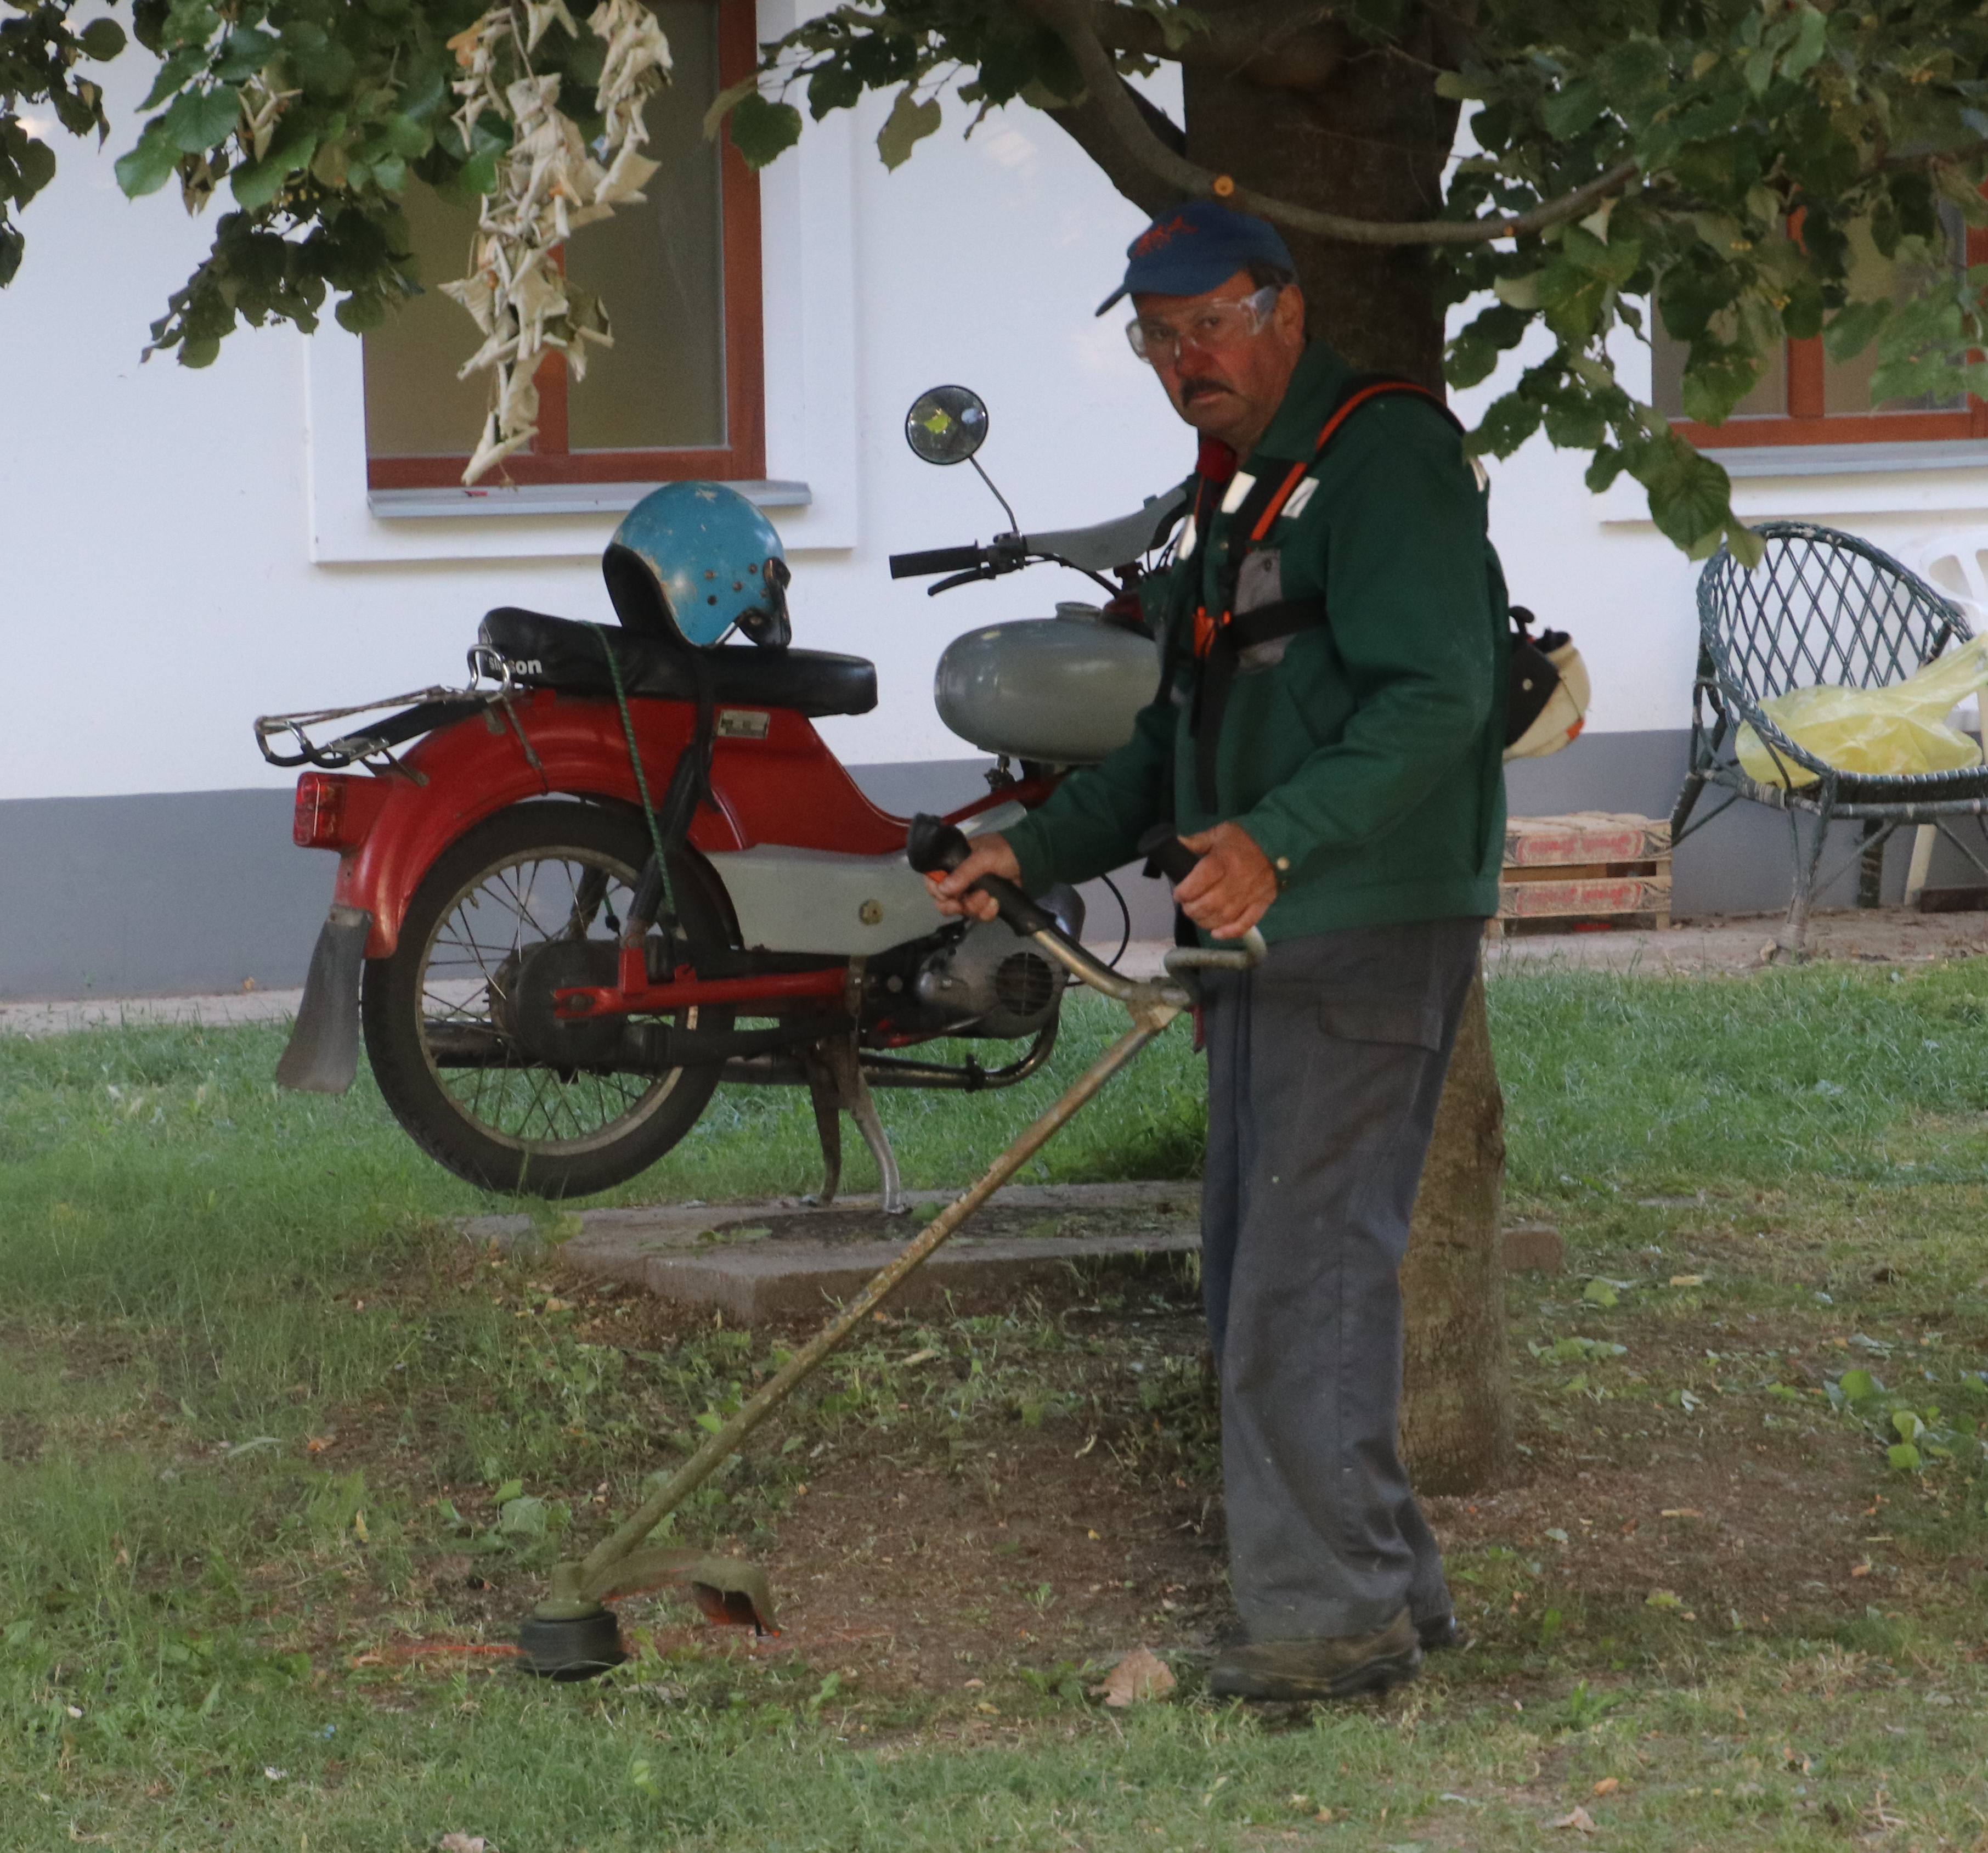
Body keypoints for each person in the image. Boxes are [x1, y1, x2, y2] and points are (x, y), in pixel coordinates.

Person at [924, 201, 1507, 1702]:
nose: (1187, 358)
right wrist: (1032, 849)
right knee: (1272, 1267)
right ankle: (1386, 1594)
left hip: (1361, 916)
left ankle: (1327, 1627)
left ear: (1287, 312)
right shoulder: (1231, 497)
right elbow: (1170, 735)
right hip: (1263, 924)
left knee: (1306, 1276)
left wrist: (1279, 840)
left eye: (1212, 324)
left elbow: (1441, 697)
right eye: (1159, 337)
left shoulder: (1384, 458)